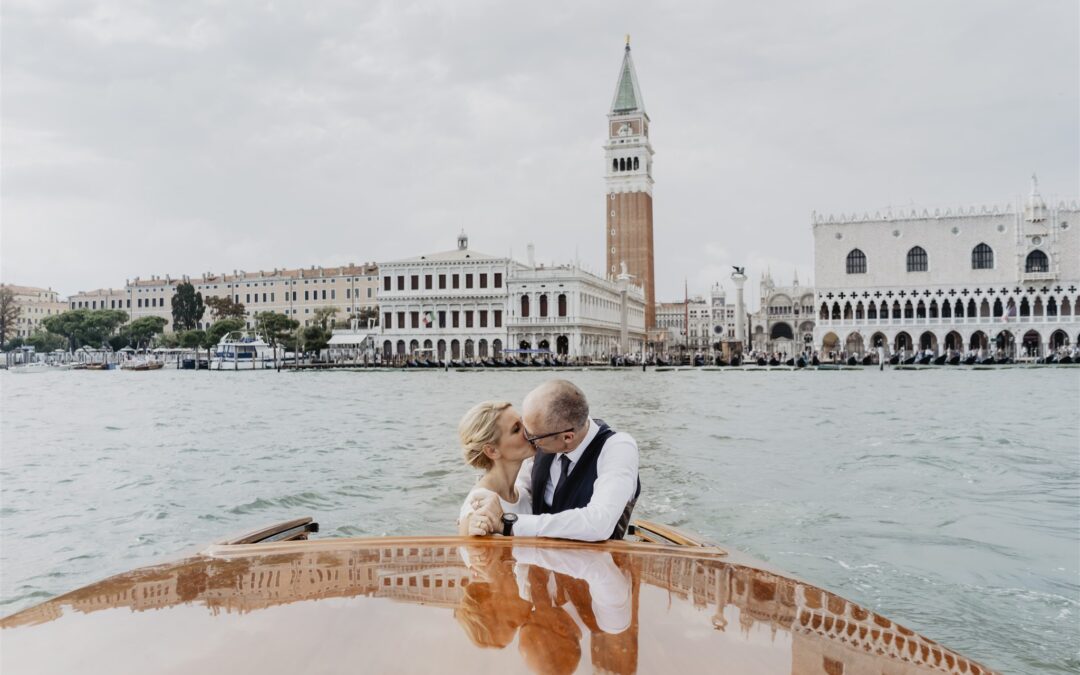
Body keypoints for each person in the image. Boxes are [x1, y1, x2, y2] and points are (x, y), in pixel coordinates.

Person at [469, 379, 640, 542]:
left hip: (595, 567)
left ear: (567, 437)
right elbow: (521, 494)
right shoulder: (542, 445)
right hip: (538, 567)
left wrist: (510, 524)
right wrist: (479, 512)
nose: (526, 438)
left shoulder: (618, 447)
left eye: (532, 435)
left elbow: (599, 523)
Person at [456, 401, 536, 536]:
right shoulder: (478, 510)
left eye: (523, 422)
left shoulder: (523, 494)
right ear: (492, 450)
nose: (528, 429)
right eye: (516, 429)